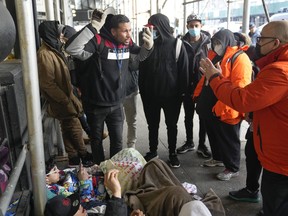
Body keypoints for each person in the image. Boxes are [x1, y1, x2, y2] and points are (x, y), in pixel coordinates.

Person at [199, 20, 288, 216]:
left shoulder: (279, 70)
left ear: (275, 42)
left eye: (262, 38)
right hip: (270, 140)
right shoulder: (276, 66)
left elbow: (244, 97)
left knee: (277, 198)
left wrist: (214, 78)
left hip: (281, 157)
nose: (258, 43)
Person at [65, 8, 154, 165]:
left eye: (130, 30)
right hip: (95, 105)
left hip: (117, 103)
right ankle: (100, 170)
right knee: (96, 141)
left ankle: (114, 171)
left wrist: (148, 47)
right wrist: (92, 28)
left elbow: (140, 56)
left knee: (117, 142)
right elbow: (72, 49)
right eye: (125, 31)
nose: (129, 35)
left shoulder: (126, 43)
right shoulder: (98, 41)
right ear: (113, 32)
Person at [194, 29, 252, 180]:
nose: (216, 45)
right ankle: (218, 158)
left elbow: (240, 86)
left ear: (228, 42)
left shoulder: (240, 58)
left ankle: (232, 167)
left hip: (227, 106)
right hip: (212, 106)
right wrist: (198, 95)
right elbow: (206, 78)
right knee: (214, 135)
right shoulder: (215, 56)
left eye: (219, 43)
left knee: (229, 138)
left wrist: (229, 108)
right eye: (215, 42)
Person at [37, 21, 93, 167]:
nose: (62, 35)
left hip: (64, 96)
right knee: (74, 126)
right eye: (59, 32)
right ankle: (83, 154)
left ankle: (73, 157)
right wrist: (65, 99)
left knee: (67, 126)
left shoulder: (53, 49)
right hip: (60, 98)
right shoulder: (45, 54)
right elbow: (47, 84)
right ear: (51, 34)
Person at [138, 13, 189, 168]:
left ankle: (172, 153)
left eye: (153, 26)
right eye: (149, 26)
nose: (151, 30)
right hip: (151, 96)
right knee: (152, 125)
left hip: (171, 96)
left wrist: (183, 93)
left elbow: (183, 71)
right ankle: (153, 150)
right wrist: (143, 92)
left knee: (171, 125)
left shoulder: (177, 45)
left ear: (162, 26)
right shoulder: (147, 44)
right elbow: (141, 68)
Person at [176, 13, 211, 158]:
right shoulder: (180, 43)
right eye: (191, 26)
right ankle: (190, 142)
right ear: (187, 27)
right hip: (187, 85)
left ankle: (202, 144)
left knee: (203, 115)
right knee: (188, 115)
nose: (194, 28)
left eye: (196, 26)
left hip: (203, 85)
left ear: (201, 26)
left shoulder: (209, 43)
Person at [123, 54, 139, 148]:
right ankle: (117, 145)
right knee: (117, 122)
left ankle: (131, 145)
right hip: (116, 93)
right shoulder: (111, 47)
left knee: (131, 119)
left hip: (131, 90)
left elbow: (136, 66)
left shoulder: (133, 51)